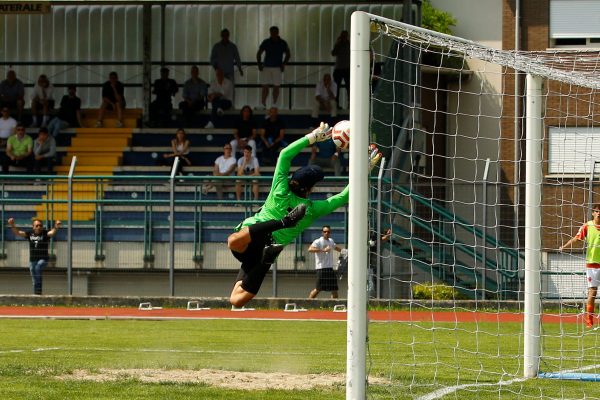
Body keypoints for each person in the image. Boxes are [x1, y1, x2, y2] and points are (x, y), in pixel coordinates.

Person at [227, 122, 382, 307]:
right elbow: (343, 197)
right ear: (309, 189)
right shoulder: (310, 208)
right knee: (237, 292)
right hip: (265, 245)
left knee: (235, 292)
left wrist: (312, 137)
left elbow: (285, 154)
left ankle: (272, 246)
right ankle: (283, 223)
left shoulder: (280, 187)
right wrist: (363, 171)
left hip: (256, 247)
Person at [560, 204, 600, 328]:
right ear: (593, 213)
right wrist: (564, 246)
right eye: (597, 211)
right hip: (592, 264)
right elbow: (577, 238)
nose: (599, 213)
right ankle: (589, 320)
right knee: (592, 292)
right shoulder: (587, 226)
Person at [7, 217, 61, 295]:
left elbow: (51, 233)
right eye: (37, 226)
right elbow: (18, 232)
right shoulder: (30, 234)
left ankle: (38, 290)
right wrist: (12, 225)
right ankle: (37, 293)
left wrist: (56, 226)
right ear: (33, 227)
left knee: (38, 268)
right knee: (34, 276)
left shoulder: (45, 233)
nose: (39, 227)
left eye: (40, 225)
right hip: (32, 260)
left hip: (43, 259)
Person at [256, 26, 291, 109]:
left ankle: (274, 104)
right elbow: (258, 53)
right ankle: (263, 103)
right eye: (272, 32)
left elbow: (288, 54)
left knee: (276, 86)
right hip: (266, 66)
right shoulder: (266, 42)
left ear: (278, 32)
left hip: (277, 67)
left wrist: (283, 64)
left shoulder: (283, 43)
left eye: (275, 32)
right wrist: (259, 64)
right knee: (265, 86)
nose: (274, 34)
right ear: (270, 33)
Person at [308, 225, 343, 299]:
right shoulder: (318, 241)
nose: (326, 233)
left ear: (330, 233)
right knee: (318, 289)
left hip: (330, 269)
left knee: (334, 289)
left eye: (328, 232)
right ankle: (308, 303)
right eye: (325, 231)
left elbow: (335, 247)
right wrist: (323, 250)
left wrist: (345, 251)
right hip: (321, 269)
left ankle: (334, 306)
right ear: (322, 232)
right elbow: (310, 249)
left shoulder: (331, 241)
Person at [368, 228, 392, 296]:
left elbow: (380, 240)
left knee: (372, 284)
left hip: (372, 264)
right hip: (365, 265)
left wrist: (387, 236)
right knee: (370, 284)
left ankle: (374, 298)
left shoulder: (372, 237)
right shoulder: (359, 237)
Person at [331, 30, 350, 108]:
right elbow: (333, 53)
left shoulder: (349, 44)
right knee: (336, 88)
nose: (344, 38)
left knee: (349, 87)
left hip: (347, 68)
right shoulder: (339, 44)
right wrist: (337, 43)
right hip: (339, 68)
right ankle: (336, 104)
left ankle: (350, 103)